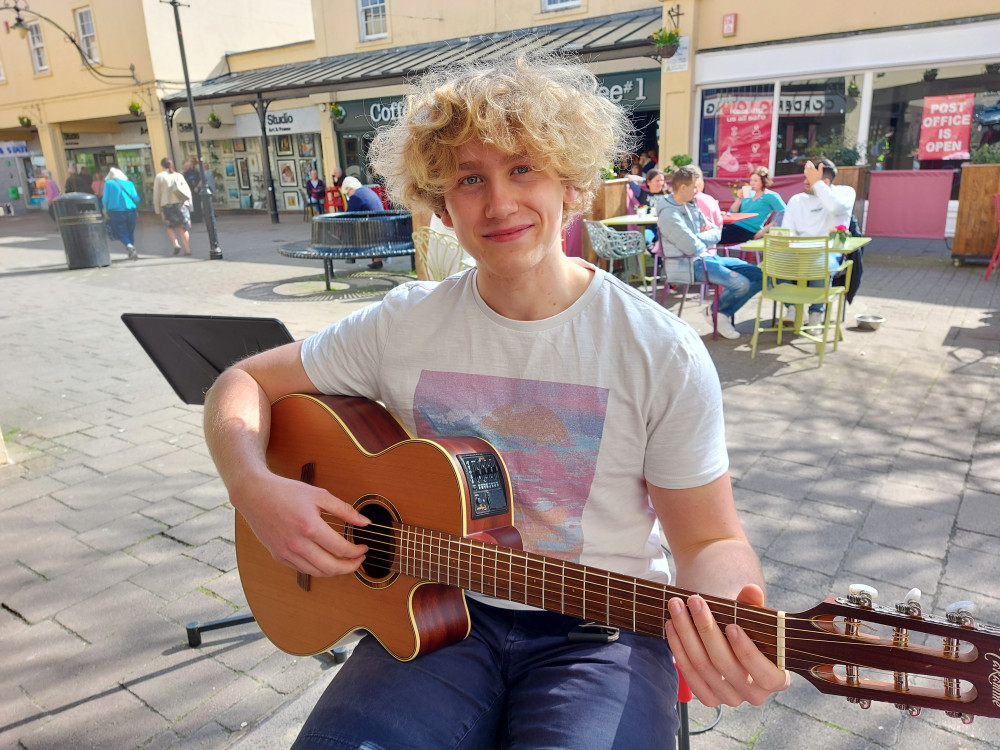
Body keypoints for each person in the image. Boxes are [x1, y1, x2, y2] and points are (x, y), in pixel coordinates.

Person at [202, 54, 788, 750]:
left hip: (599, 633)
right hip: (434, 612)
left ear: (570, 185)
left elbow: (709, 539)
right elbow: (241, 384)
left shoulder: (659, 350)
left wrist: (730, 612)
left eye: (523, 170)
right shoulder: (403, 323)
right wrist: (252, 486)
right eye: (470, 179)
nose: (499, 204)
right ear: (441, 204)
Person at [657, 165, 763, 340]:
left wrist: (698, 237)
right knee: (741, 284)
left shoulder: (690, 204)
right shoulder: (669, 214)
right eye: (694, 187)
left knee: (759, 275)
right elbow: (692, 247)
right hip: (688, 265)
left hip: (706, 258)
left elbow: (716, 232)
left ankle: (717, 312)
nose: (697, 191)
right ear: (683, 188)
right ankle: (719, 314)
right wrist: (702, 237)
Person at [779, 157, 857, 326]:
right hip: (799, 252)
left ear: (825, 181)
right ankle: (792, 307)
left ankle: (816, 313)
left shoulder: (845, 193)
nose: (804, 181)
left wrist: (818, 185)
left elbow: (835, 208)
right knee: (773, 263)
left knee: (821, 263)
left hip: (828, 252)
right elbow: (787, 231)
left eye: (810, 178)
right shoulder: (797, 200)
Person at [719, 166, 786, 246]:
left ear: (764, 181)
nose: (752, 183)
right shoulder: (749, 194)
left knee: (715, 235)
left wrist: (763, 231)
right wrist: (739, 198)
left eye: (755, 180)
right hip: (734, 225)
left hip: (748, 230)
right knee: (712, 229)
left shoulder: (771, 196)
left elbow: (784, 214)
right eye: (751, 180)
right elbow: (732, 212)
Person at [341, 175, 386, 269]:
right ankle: (377, 260)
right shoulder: (367, 191)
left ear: (351, 189)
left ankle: (350, 255)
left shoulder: (356, 196)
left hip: (373, 231)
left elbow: (348, 216)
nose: (348, 196)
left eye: (347, 193)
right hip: (381, 228)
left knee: (347, 228)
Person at [153, 157, 192, 256]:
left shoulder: (159, 177)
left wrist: (157, 209)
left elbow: (156, 194)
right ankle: (187, 249)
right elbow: (187, 190)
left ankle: (176, 244)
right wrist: (190, 205)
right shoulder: (178, 175)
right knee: (183, 228)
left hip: (167, 205)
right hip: (180, 204)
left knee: (170, 226)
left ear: (161, 165)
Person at [103, 166, 141, 260]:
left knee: (121, 230)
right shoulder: (129, 183)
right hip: (131, 210)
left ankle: (129, 246)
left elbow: (105, 199)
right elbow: (137, 198)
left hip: (116, 211)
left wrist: (106, 209)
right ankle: (131, 248)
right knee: (130, 231)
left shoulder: (109, 184)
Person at [183, 157, 203, 224]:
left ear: (191, 166)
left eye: (187, 166)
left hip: (196, 192)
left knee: (197, 205)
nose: (186, 167)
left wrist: (197, 187)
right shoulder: (184, 174)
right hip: (188, 192)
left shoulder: (196, 172)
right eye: (185, 166)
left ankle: (199, 218)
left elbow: (201, 180)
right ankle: (192, 218)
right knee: (190, 206)